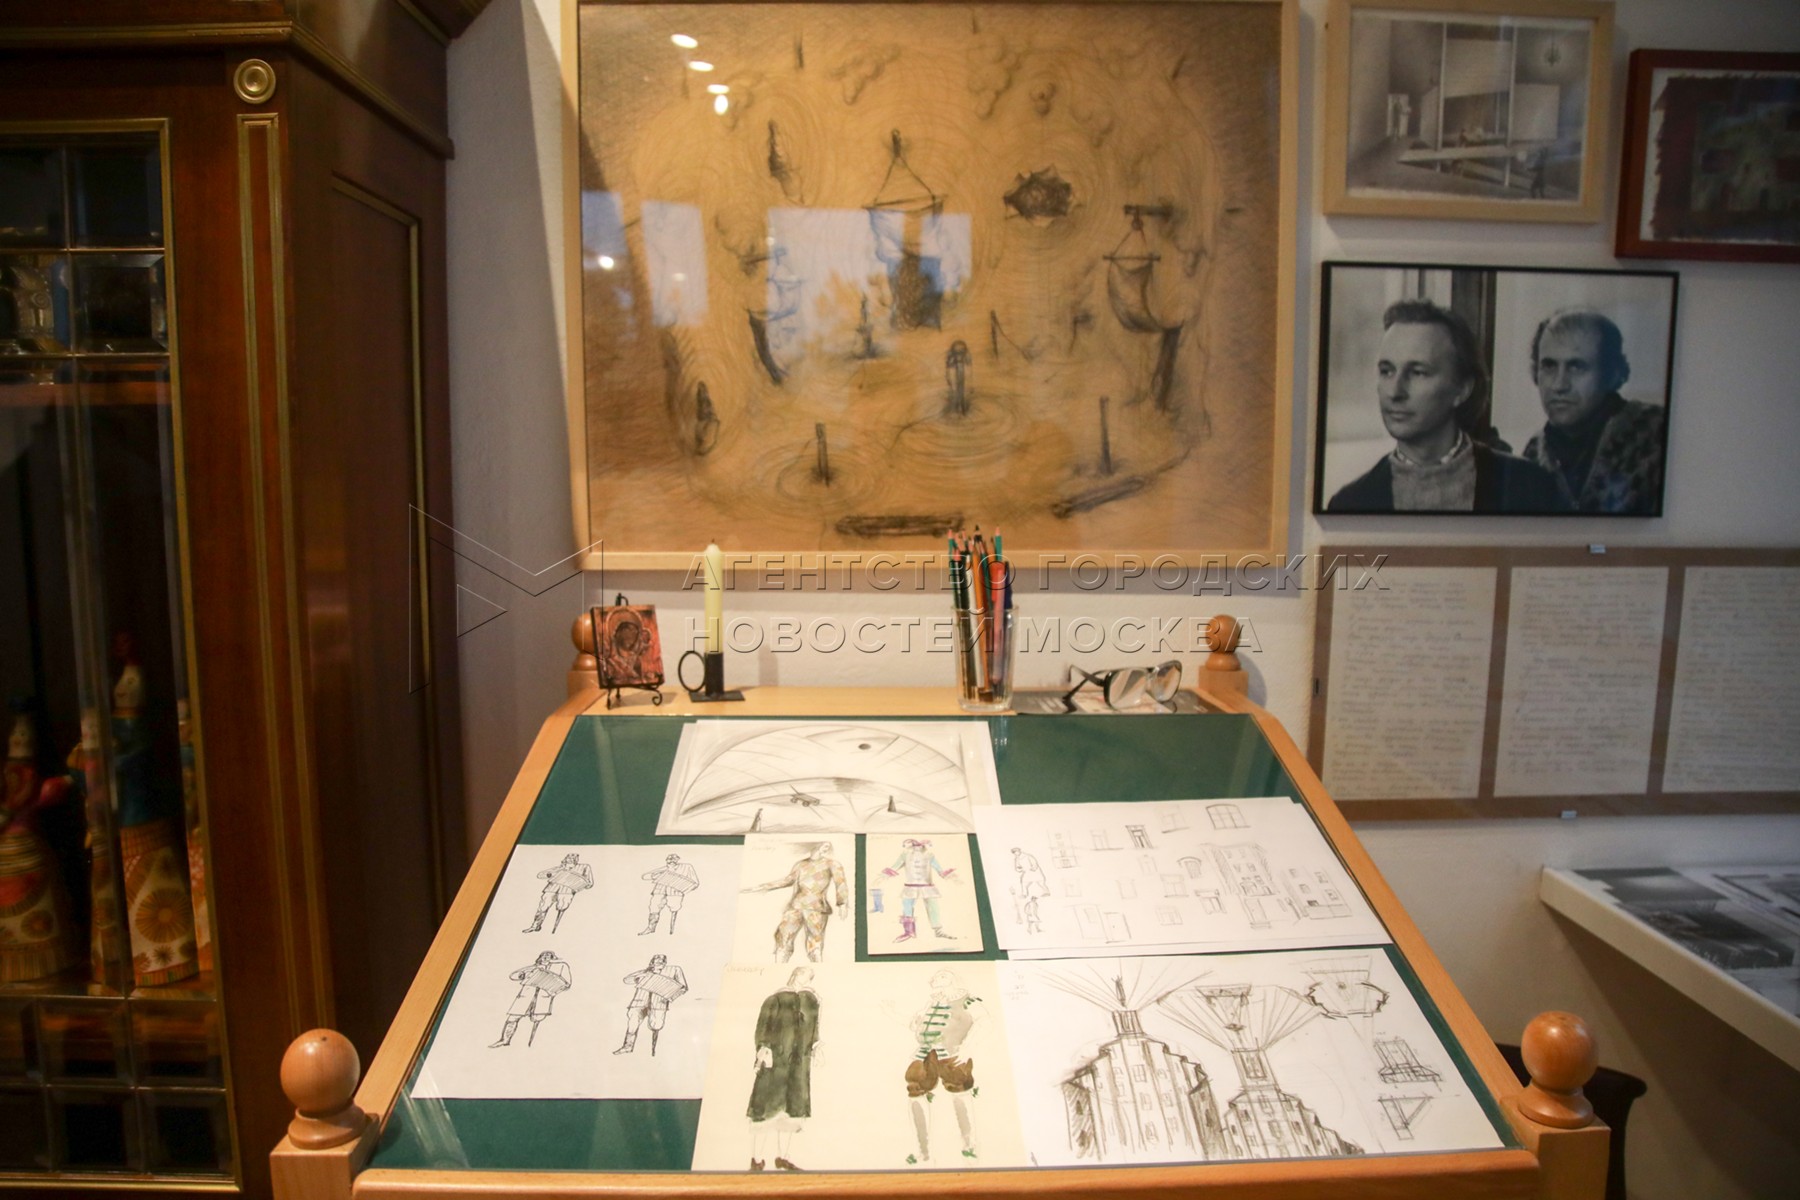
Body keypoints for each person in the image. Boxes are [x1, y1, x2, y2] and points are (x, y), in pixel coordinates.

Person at [1327, 300, 1567, 513]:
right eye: (1387, 371)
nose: (1395, 392)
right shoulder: (1350, 502)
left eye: (1418, 372)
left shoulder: (1530, 487)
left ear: (1462, 389)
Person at [1521, 308, 1666, 514]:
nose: (1559, 385)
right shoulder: (1534, 453)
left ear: (1613, 373)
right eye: (1549, 366)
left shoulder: (1656, 434)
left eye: (1576, 367)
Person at [904, 969, 985, 1164]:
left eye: (941, 976)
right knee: (915, 1089)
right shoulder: (933, 1001)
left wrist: (968, 1047)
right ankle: (923, 1151)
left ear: (951, 980)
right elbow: (916, 1024)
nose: (934, 980)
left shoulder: (968, 1000)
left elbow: (984, 1021)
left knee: (960, 1092)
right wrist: (916, 1023)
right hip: (925, 1052)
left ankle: (969, 1146)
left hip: (953, 1053)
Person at [747, 965, 819, 1171]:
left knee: (791, 1112)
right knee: (765, 1111)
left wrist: (815, 1046)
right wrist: (763, 1048)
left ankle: (782, 1158)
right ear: (795, 975)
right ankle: (757, 1160)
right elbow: (763, 1027)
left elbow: (814, 1029)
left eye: (810, 977)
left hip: (798, 1065)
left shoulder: (811, 1001)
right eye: (804, 975)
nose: (807, 980)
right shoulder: (775, 999)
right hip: (775, 1062)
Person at [743, 841, 848, 963]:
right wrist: (763, 886)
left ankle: (818, 969)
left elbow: (840, 883)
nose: (826, 848)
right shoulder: (800, 864)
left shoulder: (832, 864)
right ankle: (778, 968)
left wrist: (842, 903)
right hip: (795, 906)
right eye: (824, 845)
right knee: (783, 937)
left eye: (828, 846)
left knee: (815, 943)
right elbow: (788, 880)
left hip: (817, 908)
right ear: (814, 846)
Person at [881, 838, 958, 942]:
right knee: (907, 905)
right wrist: (882, 877)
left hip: (927, 886)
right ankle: (909, 932)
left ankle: (938, 931)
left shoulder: (929, 855)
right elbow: (895, 867)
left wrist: (951, 877)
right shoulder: (905, 854)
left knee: (933, 905)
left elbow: (939, 869)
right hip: (910, 886)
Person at [491, 950, 571, 1047]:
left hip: (543, 999)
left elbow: (566, 985)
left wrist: (553, 992)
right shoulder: (533, 967)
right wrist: (523, 975)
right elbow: (514, 976)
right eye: (543, 955)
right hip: (525, 997)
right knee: (512, 1018)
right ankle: (505, 1040)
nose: (546, 957)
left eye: (549, 955)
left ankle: (531, 1044)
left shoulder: (561, 966)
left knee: (537, 1020)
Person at [615, 953, 688, 1056]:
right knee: (632, 1025)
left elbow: (683, 988)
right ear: (652, 962)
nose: (658, 961)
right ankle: (627, 1047)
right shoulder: (646, 971)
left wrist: (670, 998)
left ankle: (654, 1051)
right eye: (656, 960)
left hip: (659, 1003)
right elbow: (626, 980)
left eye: (661, 960)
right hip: (639, 1002)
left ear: (665, 962)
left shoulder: (674, 969)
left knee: (656, 1026)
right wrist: (639, 977)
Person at [524, 852, 593, 934]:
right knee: (543, 907)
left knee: (562, 908)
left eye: (574, 857)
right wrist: (553, 873)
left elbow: (589, 883)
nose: (571, 858)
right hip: (551, 888)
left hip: (567, 891)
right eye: (569, 857)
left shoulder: (584, 867)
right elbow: (541, 875)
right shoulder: (559, 868)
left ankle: (556, 931)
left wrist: (578, 883)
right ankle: (535, 926)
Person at [640, 852, 699, 935]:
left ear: (677, 860)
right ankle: (650, 928)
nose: (671, 861)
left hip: (675, 892)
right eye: (669, 860)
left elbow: (695, 883)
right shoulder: (664, 869)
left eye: (673, 859)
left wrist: (684, 889)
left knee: (674, 909)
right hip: (659, 891)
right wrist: (657, 875)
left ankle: (672, 931)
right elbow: (646, 876)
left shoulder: (686, 867)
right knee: (654, 908)